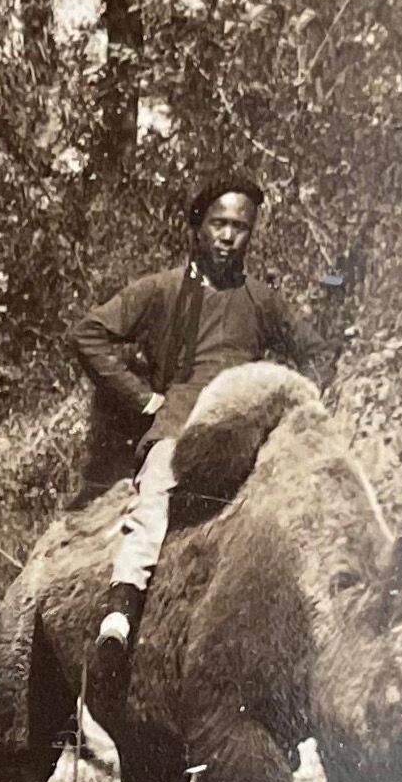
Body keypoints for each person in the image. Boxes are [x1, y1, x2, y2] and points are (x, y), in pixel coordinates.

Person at [67, 176, 311, 715]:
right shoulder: (161, 290)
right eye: (219, 224)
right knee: (153, 498)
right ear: (198, 227)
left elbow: (312, 350)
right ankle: (120, 614)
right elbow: (88, 334)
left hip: (246, 426)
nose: (228, 237)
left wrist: (293, 401)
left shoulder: (263, 301)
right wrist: (144, 400)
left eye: (240, 228)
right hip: (180, 422)